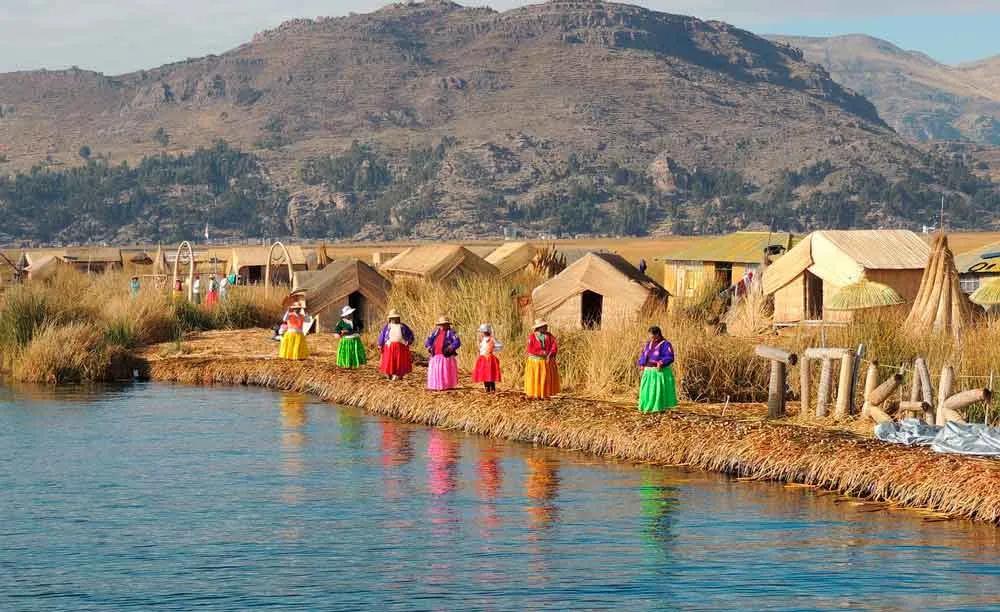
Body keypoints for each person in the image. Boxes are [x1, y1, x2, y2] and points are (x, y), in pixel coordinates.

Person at [636, 326, 678, 413]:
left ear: (657, 334)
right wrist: (642, 363)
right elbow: (644, 355)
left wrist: (662, 362)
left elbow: (670, 356)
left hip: (658, 372)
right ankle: (647, 407)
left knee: (657, 391)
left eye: (652, 336)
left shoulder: (666, 344)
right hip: (648, 372)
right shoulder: (649, 344)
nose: (650, 338)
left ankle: (658, 408)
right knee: (647, 390)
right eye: (650, 336)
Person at [524, 319, 560, 399]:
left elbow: (554, 345)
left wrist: (551, 353)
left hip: (546, 361)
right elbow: (530, 349)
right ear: (539, 327)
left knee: (545, 378)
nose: (546, 327)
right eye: (544, 326)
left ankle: (545, 393)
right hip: (535, 362)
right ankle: (536, 394)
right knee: (536, 377)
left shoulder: (549, 336)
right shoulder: (532, 337)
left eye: (546, 326)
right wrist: (540, 353)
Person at [425, 316, 461, 391]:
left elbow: (457, 341)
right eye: (441, 324)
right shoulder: (435, 332)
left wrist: (450, 347)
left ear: (448, 325)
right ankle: (436, 386)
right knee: (436, 371)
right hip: (435, 355)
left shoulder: (451, 332)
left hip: (445, 356)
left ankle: (446, 385)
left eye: (444, 324)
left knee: (445, 371)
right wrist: (429, 347)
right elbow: (429, 340)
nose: (442, 326)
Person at [378, 309, 415, 380]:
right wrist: (380, 344)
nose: (394, 319)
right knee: (389, 361)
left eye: (395, 318)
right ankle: (389, 374)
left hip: (400, 347)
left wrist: (409, 341)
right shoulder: (387, 327)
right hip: (389, 346)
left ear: (398, 318)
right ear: (390, 319)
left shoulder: (403, 326)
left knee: (399, 361)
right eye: (392, 318)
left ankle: (398, 374)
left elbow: (410, 335)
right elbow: (382, 335)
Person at [472, 323, 502, 392]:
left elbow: (499, 346)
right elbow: (482, 348)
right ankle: (487, 388)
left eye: (482, 332)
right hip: (483, 358)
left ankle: (492, 388)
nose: (482, 333)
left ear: (485, 332)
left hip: (489, 358)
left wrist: (492, 349)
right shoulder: (483, 340)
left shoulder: (492, 339)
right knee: (484, 373)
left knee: (490, 373)